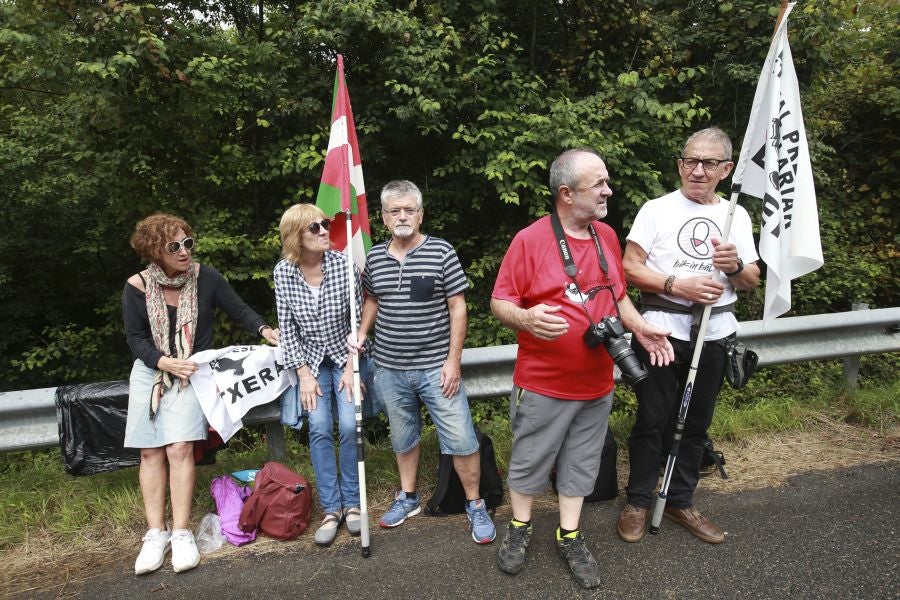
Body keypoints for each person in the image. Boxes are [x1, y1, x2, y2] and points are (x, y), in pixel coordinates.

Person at [490, 149, 674, 589]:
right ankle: (519, 527)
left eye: (607, 182)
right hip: (543, 383)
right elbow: (499, 301)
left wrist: (642, 327)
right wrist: (528, 318)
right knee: (530, 461)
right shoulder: (529, 240)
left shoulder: (607, 235)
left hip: (597, 383)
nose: (609, 190)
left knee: (582, 464)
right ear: (567, 194)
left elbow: (618, 296)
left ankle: (569, 534)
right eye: (600, 184)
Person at [617, 127, 760, 545]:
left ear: (726, 169)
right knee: (652, 418)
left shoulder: (736, 215)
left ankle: (680, 499)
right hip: (662, 332)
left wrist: (733, 266)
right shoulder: (656, 210)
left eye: (709, 163)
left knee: (696, 422)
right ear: (680, 164)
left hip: (714, 334)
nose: (698, 171)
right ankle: (639, 501)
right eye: (690, 161)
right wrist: (676, 284)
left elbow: (751, 280)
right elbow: (629, 267)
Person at [123, 213, 279, 575]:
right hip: (151, 369)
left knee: (179, 448)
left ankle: (180, 533)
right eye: (174, 246)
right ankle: (155, 534)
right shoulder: (137, 286)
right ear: (155, 252)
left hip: (192, 371)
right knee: (150, 452)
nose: (184, 251)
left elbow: (238, 309)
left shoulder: (205, 277)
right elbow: (135, 340)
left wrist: (265, 329)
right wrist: (164, 362)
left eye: (187, 243)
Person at [349, 180, 496, 545]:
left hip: (436, 367)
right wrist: (363, 334)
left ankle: (475, 504)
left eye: (409, 209)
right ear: (383, 218)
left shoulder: (442, 252)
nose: (402, 216)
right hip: (389, 368)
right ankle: (408, 497)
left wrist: (453, 362)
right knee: (403, 437)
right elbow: (372, 301)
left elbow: (458, 307)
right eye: (394, 210)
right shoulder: (375, 259)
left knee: (461, 439)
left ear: (420, 214)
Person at [274, 203, 364, 547]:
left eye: (324, 224)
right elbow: (288, 326)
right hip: (309, 361)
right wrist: (303, 373)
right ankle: (332, 509)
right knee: (321, 428)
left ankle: (353, 504)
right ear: (297, 236)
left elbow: (357, 322)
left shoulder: (343, 265)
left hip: (345, 357)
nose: (325, 231)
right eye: (315, 228)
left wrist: (352, 366)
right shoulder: (283, 272)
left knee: (347, 425)